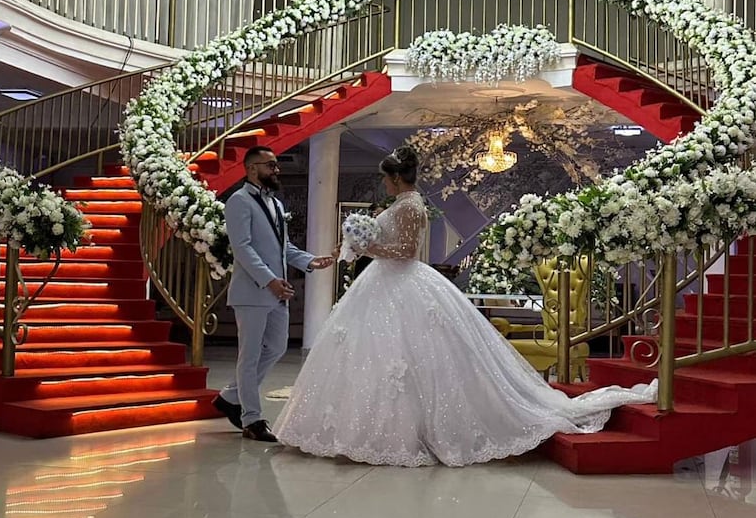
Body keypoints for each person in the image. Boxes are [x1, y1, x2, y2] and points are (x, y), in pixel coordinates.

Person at [273, 145, 657, 467]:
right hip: (383, 283)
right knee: (374, 353)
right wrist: (357, 247)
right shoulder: (404, 204)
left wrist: (368, 248)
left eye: (386, 179)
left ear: (395, 179)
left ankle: (405, 432)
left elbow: (406, 252)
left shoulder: (410, 207)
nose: (384, 185)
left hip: (399, 280)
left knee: (403, 358)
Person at [213, 145, 334, 442]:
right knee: (250, 356)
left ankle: (230, 396)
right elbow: (243, 248)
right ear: (252, 168)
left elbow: (283, 247)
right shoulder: (239, 201)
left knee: (277, 347)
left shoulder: (275, 204)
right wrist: (269, 280)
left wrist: (309, 260)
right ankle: (251, 419)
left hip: (276, 291)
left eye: (276, 165)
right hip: (252, 292)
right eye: (270, 166)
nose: (276, 170)